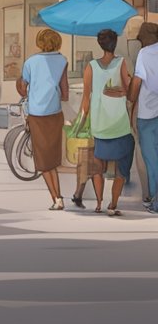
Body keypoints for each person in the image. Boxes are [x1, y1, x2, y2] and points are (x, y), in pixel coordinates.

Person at [78, 29, 136, 216]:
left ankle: (98, 203)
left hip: (99, 125)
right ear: (115, 43)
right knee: (121, 165)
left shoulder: (91, 67)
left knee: (97, 166)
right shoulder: (121, 63)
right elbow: (129, 91)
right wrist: (121, 91)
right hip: (119, 123)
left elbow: (85, 100)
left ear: (100, 44)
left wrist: (80, 124)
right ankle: (113, 203)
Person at [17, 28, 71, 210]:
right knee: (53, 157)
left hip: (37, 114)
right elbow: (65, 92)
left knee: (43, 160)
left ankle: (56, 197)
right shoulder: (63, 61)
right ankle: (58, 196)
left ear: (40, 43)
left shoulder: (30, 62)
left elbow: (22, 88)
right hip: (55, 113)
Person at [133, 22, 158, 213]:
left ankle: (155, 201)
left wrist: (129, 100)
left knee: (151, 159)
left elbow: (137, 82)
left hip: (147, 114)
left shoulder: (144, 54)